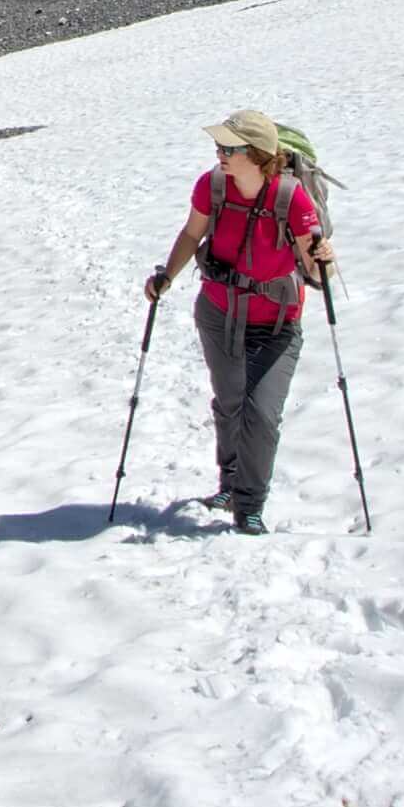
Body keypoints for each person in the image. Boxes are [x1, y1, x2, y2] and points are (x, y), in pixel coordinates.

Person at [143, 108, 333, 534]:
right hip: (219, 313)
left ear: (260, 154)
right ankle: (230, 485)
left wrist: (325, 262)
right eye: (219, 146)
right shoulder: (211, 187)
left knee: (261, 412)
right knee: (229, 401)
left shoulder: (290, 198)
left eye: (231, 148)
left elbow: (316, 269)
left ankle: (250, 504)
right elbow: (193, 234)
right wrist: (166, 278)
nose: (220, 154)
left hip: (277, 323)